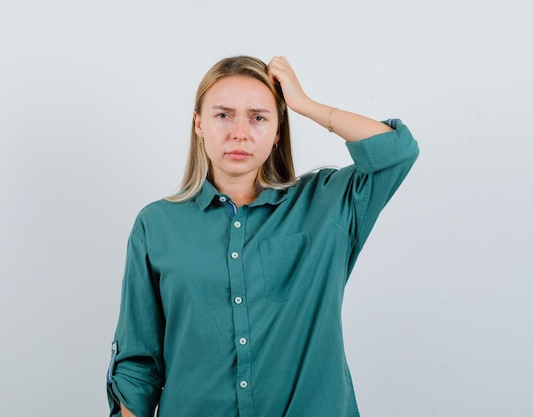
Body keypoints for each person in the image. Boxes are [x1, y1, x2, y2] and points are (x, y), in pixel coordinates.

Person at [106, 55, 419, 417]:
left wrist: (304, 104)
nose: (240, 132)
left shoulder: (326, 204)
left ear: (277, 132)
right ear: (199, 125)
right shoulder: (156, 224)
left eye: (258, 117)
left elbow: (397, 151)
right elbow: (138, 363)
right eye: (223, 115)